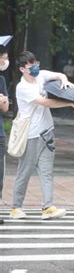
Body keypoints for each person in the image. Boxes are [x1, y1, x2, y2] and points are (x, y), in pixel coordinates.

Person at [9, 51, 74, 220]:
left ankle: (48, 207)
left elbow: (59, 75)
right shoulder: (23, 88)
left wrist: (65, 81)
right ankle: (16, 207)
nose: (35, 67)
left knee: (46, 172)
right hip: (31, 135)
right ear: (22, 69)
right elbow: (45, 102)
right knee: (25, 171)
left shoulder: (41, 75)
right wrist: (70, 103)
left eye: (36, 63)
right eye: (31, 65)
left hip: (47, 132)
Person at [0, 45, 10, 225]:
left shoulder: (1, 80)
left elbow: (6, 108)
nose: (5, 61)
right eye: (3, 57)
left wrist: (2, 101)